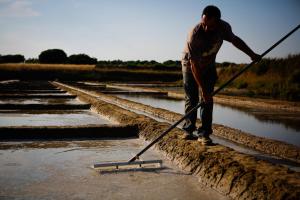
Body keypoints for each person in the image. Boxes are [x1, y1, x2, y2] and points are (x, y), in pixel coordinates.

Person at [181, 5, 260, 145]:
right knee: (192, 97)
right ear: (202, 19)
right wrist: (203, 90)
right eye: (204, 24)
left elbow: (235, 40)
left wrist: (251, 54)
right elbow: (194, 66)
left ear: (217, 22)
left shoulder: (223, 27)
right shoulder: (194, 34)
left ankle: (204, 134)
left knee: (207, 99)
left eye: (210, 26)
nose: (206, 28)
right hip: (190, 67)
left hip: (209, 65)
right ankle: (188, 130)